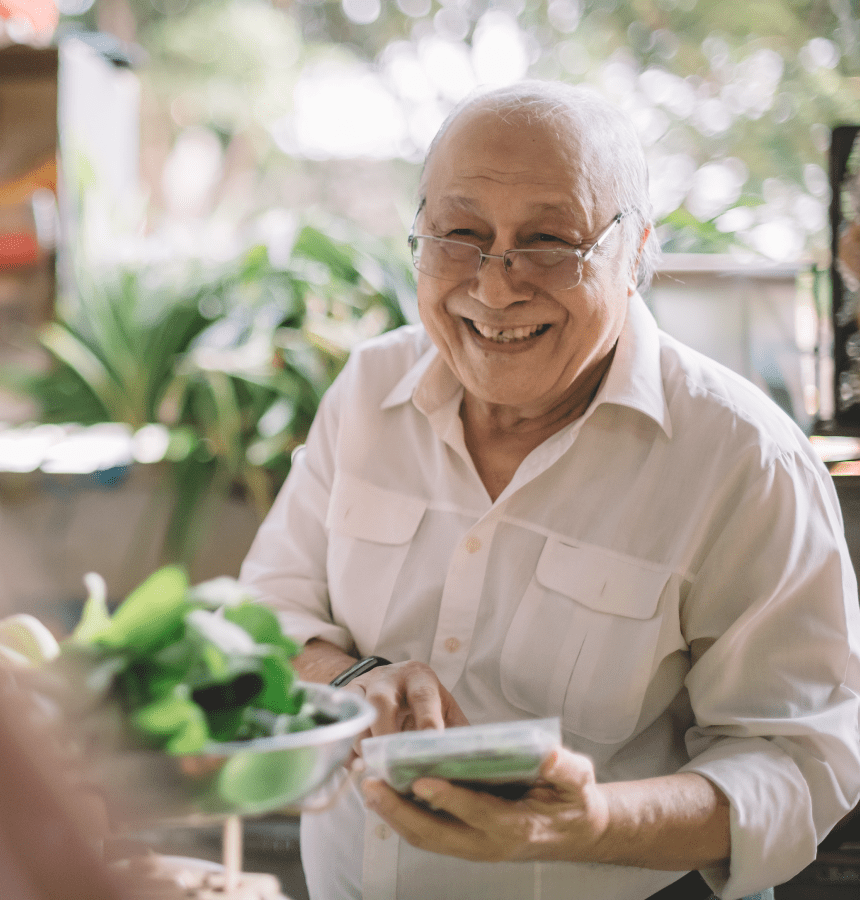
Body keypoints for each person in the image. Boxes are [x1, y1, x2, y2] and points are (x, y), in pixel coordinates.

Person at [239, 80, 860, 900]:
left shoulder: (744, 458)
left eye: (550, 242)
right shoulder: (367, 391)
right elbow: (256, 622)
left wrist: (594, 823)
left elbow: (801, 758)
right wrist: (348, 681)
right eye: (461, 234)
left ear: (635, 252)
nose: (496, 288)